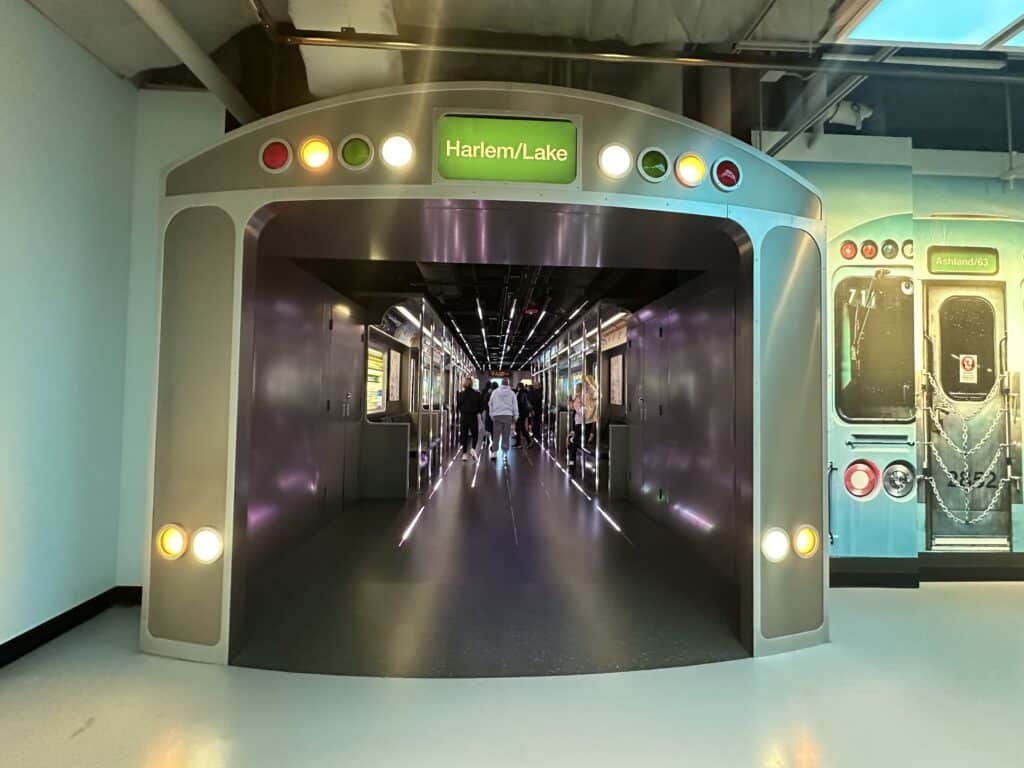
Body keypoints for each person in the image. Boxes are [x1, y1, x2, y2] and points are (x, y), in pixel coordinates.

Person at [487, 377, 518, 460]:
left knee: (496, 434)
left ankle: (494, 452)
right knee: (506, 434)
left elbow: (490, 403)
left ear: (501, 383)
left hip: (497, 415)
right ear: (508, 383)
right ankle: (505, 452)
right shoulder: (512, 393)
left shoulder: (495, 392)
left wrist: (491, 414)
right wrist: (516, 416)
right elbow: (515, 405)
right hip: (508, 415)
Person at [456, 376, 482, 461]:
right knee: (475, 434)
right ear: (472, 384)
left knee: (464, 434)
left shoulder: (460, 394)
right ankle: (473, 449)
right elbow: (480, 407)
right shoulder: (477, 394)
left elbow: (458, 406)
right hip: (473, 416)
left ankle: (464, 454)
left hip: (464, 416)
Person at [568, 382, 584, 467]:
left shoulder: (582, 398)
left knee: (573, 441)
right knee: (571, 440)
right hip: (576, 423)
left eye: (578, 388)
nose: (576, 390)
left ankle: (572, 461)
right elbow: (571, 407)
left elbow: (581, 411)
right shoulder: (577, 397)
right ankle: (571, 460)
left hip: (581, 424)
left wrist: (575, 405)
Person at [514, 383, 533, 448]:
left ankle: (528, 442)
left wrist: (517, 413)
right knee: (520, 428)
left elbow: (519, 404)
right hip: (523, 413)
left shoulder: (520, 394)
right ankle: (519, 442)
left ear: (519, 387)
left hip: (520, 413)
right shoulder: (525, 393)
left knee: (521, 428)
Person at [582, 373, 598, 448]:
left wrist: (589, 384)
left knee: (588, 431)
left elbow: (597, 396)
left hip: (591, 414)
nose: (585, 383)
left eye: (587, 382)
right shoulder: (585, 390)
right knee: (585, 431)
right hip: (585, 413)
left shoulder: (593, 389)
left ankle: (587, 442)